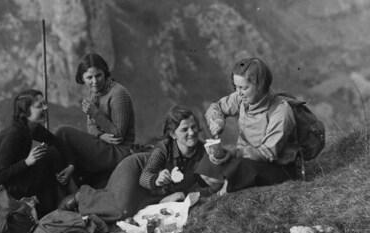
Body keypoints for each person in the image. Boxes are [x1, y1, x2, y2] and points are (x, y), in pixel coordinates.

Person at [61, 105, 206, 222]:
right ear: (173, 134)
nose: (191, 133)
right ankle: (82, 196)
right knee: (121, 210)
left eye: (193, 127)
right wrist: (157, 179)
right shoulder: (163, 149)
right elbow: (145, 177)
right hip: (136, 169)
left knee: (138, 213)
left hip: (154, 192)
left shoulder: (203, 151)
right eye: (184, 129)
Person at [196, 57, 299, 194]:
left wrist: (233, 152)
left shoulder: (281, 111)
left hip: (277, 168)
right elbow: (217, 107)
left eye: (244, 87)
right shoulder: (241, 99)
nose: (238, 93)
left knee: (241, 167)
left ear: (260, 85)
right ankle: (222, 188)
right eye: (236, 87)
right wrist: (217, 121)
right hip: (245, 158)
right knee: (206, 166)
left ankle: (226, 191)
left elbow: (267, 153)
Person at [0, 88, 73, 217]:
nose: (45, 108)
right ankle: (50, 213)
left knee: (50, 154)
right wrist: (27, 162)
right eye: (39, 106)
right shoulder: (14, 134)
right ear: (24, 112)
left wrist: (70, 166)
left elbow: (57, 143)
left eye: (44, 103)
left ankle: (57, 208)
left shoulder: (32, 128)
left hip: (13, 179)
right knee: (44, 160)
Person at [55, 53, 136, 187]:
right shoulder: (95, 92)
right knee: (61, 146)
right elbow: (91, 127)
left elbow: (118, 136)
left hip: (119, 152)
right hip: (105, 144)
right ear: (82, 78)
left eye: (98, 75)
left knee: (63, 133)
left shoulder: (118, 94)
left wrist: (94, 113)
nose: (94, 81)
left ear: (105, 73)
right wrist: (101, 135)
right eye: (89, 77)